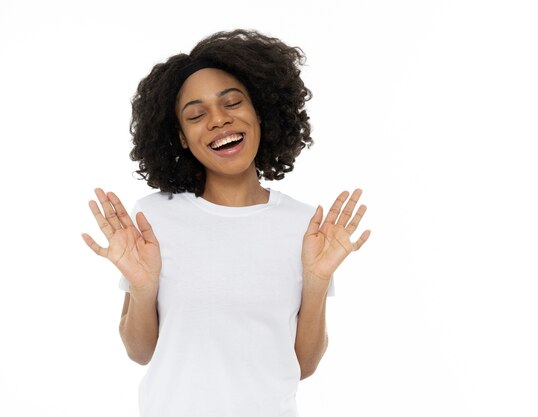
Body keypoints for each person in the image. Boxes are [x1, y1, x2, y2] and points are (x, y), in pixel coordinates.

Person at [81, 29, 370, 417]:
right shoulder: (155, 218)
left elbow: (304, 366)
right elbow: (139, 352)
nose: (218, 120)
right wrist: (143, 288)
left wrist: (316, 284)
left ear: (259, 113)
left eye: (232, 103)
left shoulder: (306, 226)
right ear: (182, 138)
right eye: (197, 115)